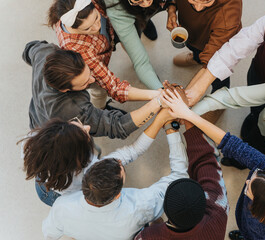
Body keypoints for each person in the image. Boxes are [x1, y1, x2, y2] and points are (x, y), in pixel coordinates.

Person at [160, 89, 265, 240]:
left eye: (248, 188)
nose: (247, 181)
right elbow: (231, 144)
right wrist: (189, 115)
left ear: (259, 208)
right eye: (253, 175)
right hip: (248, 224)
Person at [41, 109, 189, 240]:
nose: (88, 127)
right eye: (122, 171)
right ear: (118, 194)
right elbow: (180, 176)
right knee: (157, 222)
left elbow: (49, 234)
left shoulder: (61, 208)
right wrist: (171, 129)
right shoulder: (141, 205)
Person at [23, 40, 162, 139]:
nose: (93, 80)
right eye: (85, 83)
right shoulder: (74, 110)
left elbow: (29, 48)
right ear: (65, 89)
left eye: (88, 71)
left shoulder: (43, 53)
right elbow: (118, 126)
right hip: (52, 136)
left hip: (36, 113)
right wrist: (157, 102)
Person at [48, 0, 162, 109]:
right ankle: (101, 110)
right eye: (87, 28)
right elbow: (114, 87)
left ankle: (140, 19)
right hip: (91, 69)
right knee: (99, 92)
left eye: (97, 18)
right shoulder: (78, 50)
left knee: (131, 31)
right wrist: (155, 94)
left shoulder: (89, 5)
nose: (97, 27)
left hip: (110, 34)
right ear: (72, 27)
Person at [21, 116, 154, 206]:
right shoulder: (91, 169)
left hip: (43, 188)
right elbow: (133, 151)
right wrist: (159, 120)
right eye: (85, 134)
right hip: (67, 198)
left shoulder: (32, 142)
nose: (88, 127)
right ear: (79, 155)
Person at [135, 122, 229, 239]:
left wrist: (155, 222)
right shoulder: (218, 213)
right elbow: (207, 160)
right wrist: (188, 118)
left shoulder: (148, 236)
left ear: (165, 210)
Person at [168, 0, 242, 97]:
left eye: (207, 1)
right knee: (195, 48)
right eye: (193, 0)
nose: (198, 8)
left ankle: (219, 98)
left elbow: (213, 60)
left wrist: (184, 97)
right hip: (193, 32)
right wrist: (171, 9)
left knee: (218, 77)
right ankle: (196, 59)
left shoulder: (229, 11)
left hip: (217, 44)